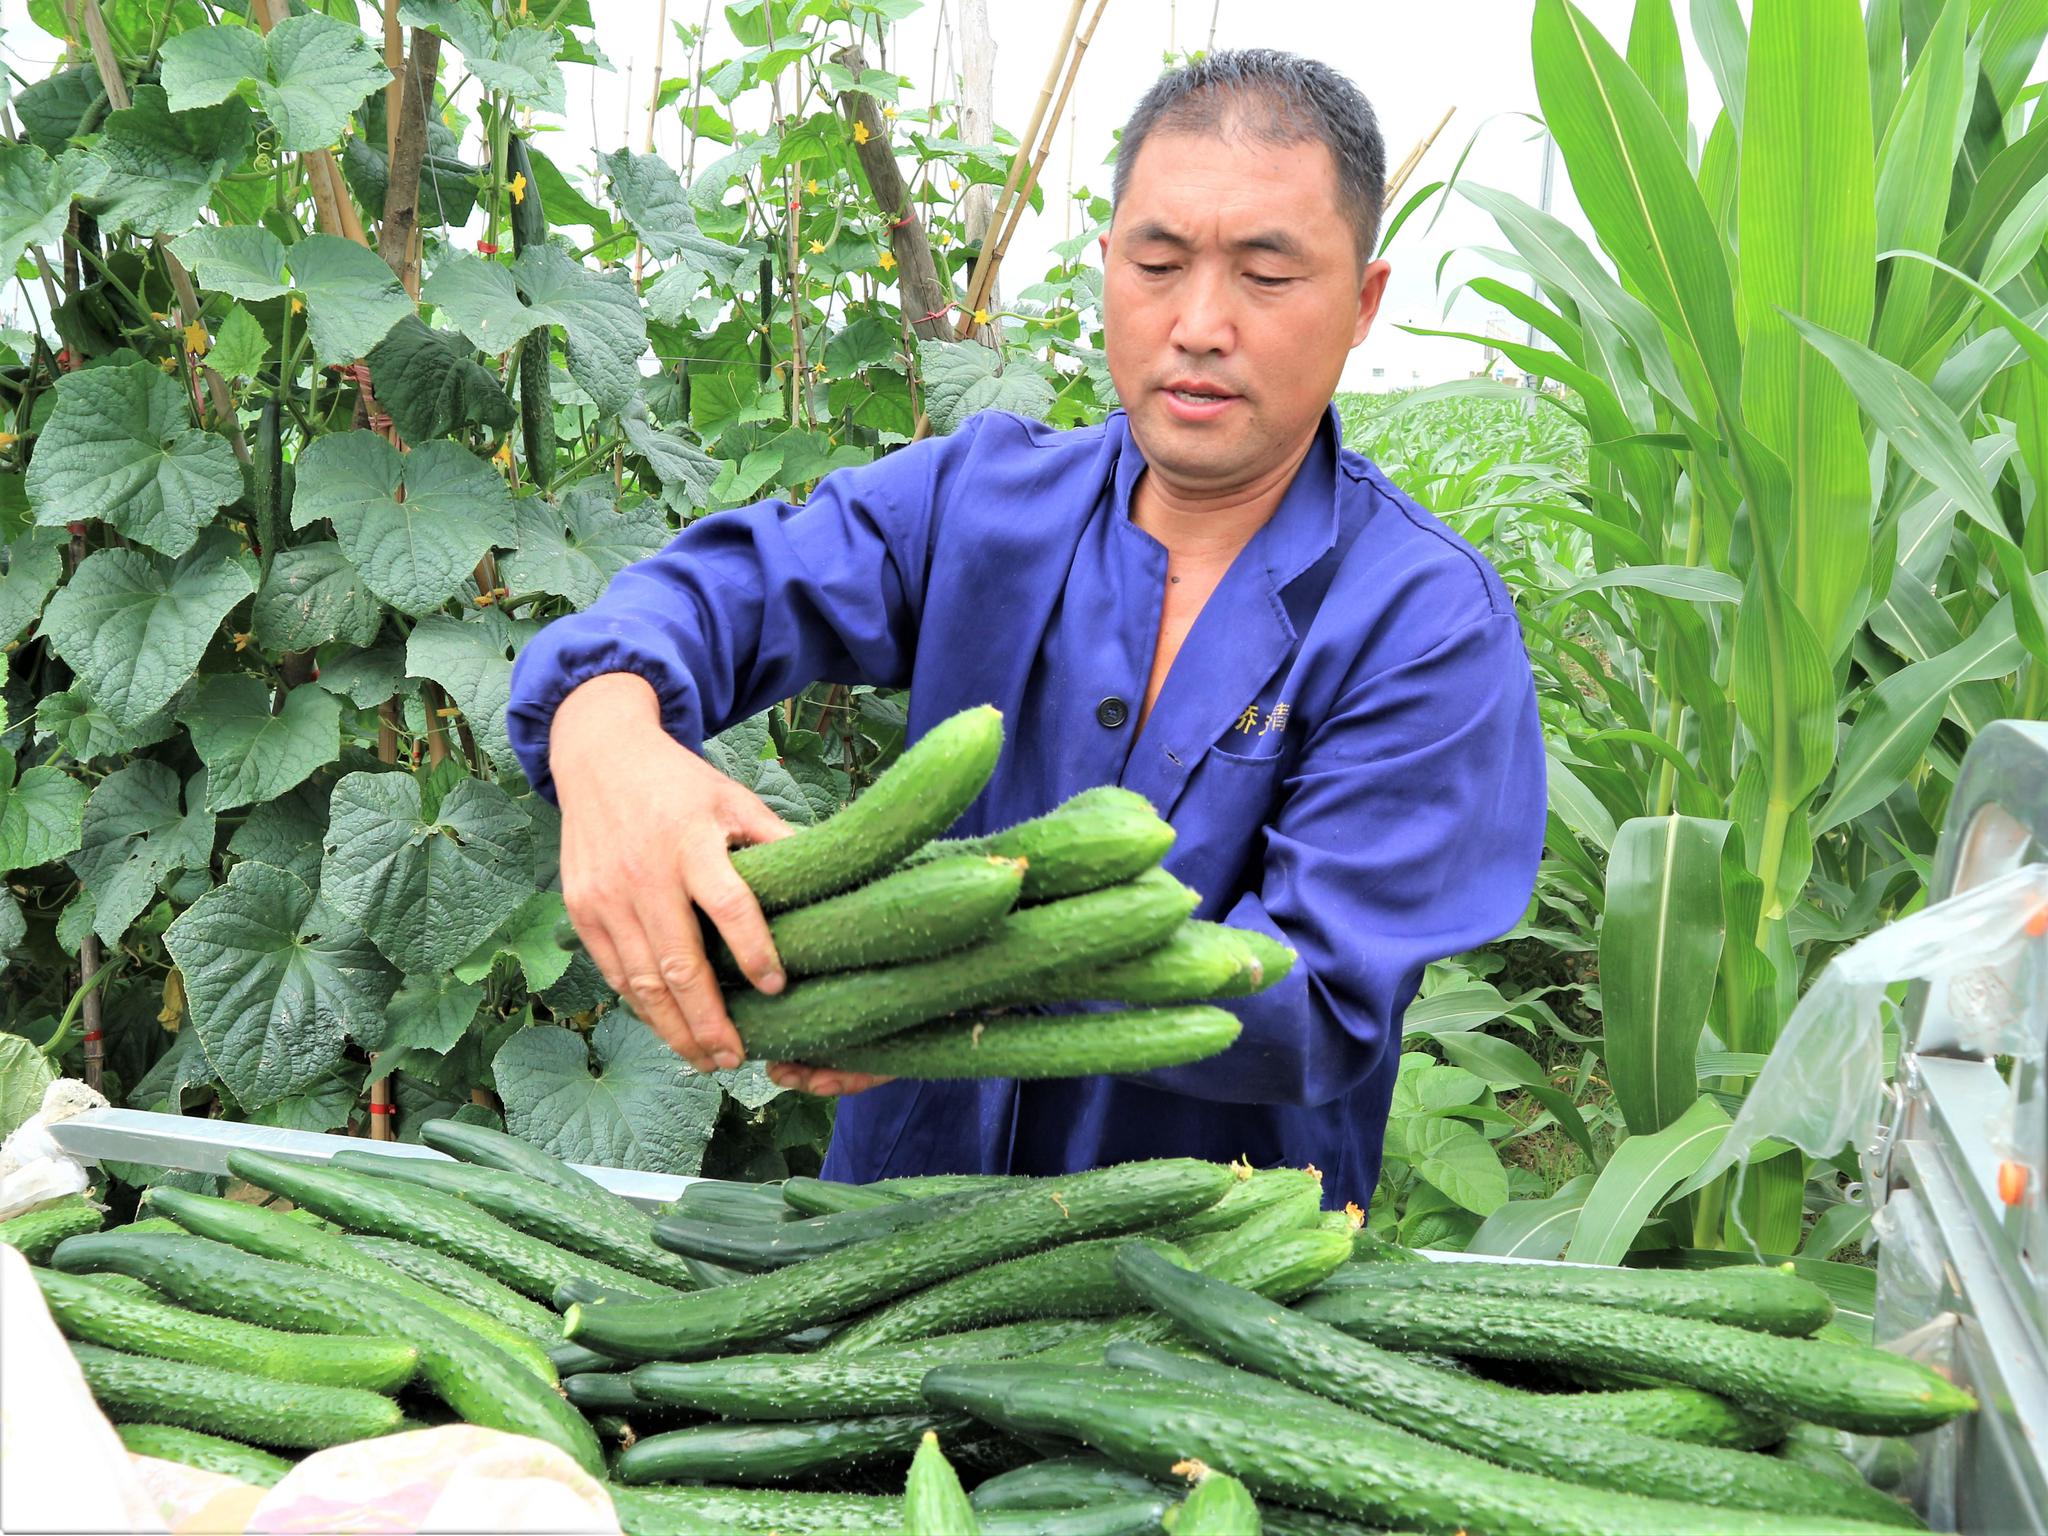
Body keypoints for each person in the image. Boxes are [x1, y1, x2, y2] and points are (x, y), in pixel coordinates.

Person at [507, 49, 1547, 1207]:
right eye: (1157, 263)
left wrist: (943, 981)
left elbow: (1312, 1005)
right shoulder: (980, 500)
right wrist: (601, 720)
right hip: (885, 1244)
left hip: (1203, 1302)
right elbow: (730, 590)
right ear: (1107, 267)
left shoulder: (1424, 621)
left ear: (1360, 302)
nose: (1198, 324)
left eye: (1265, 276)